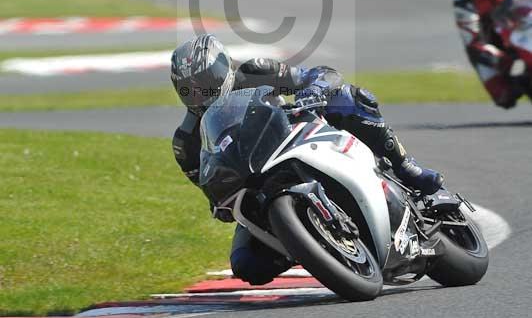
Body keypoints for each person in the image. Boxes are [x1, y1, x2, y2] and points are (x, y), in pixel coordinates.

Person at [170, 34, 443, 285]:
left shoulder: (256, 72)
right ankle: (309, 242)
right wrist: (220, 203)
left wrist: (313, 90)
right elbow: (208, 186)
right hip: (256, 185)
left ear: (223, 68)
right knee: (247, 265)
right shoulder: (186, 143)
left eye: (205, 82)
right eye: (188, 89)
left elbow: (325, 75)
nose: (199, 94)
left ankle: (405, 166)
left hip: (301, 138)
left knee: (348, 98)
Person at [454, 0, 532, 109]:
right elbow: (473, 42)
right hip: (490, 35)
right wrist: (503, 60)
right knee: (503, 96)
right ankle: (521, 80)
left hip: (523, 19)